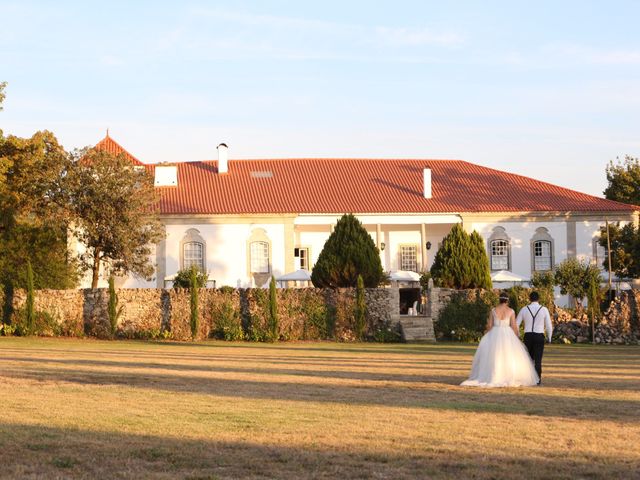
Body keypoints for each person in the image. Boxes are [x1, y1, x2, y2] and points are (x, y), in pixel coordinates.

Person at [461, 291, 539, 387]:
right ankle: (507, 375)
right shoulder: (511, 311)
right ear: (507, 301)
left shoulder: (493, 310)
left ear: (499, 299)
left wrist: (486, 333)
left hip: (495, 333)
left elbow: (489, 325)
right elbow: (514, 326)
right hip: (507, 334)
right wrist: (517, 337)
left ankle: (494, 375)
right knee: (509, 356)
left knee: (493, 356)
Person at [516, 291, 553, 385]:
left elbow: (516, 324)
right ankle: (538, 380)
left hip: (528, 336)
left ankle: (527, 378)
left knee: (528, 359)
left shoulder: (524, 309)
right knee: (538, 360)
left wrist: (518, 336)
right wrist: (549, 337)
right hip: (539, 336)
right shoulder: (544, 309)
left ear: (529, 299)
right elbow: (549, 325)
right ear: (538, 299)